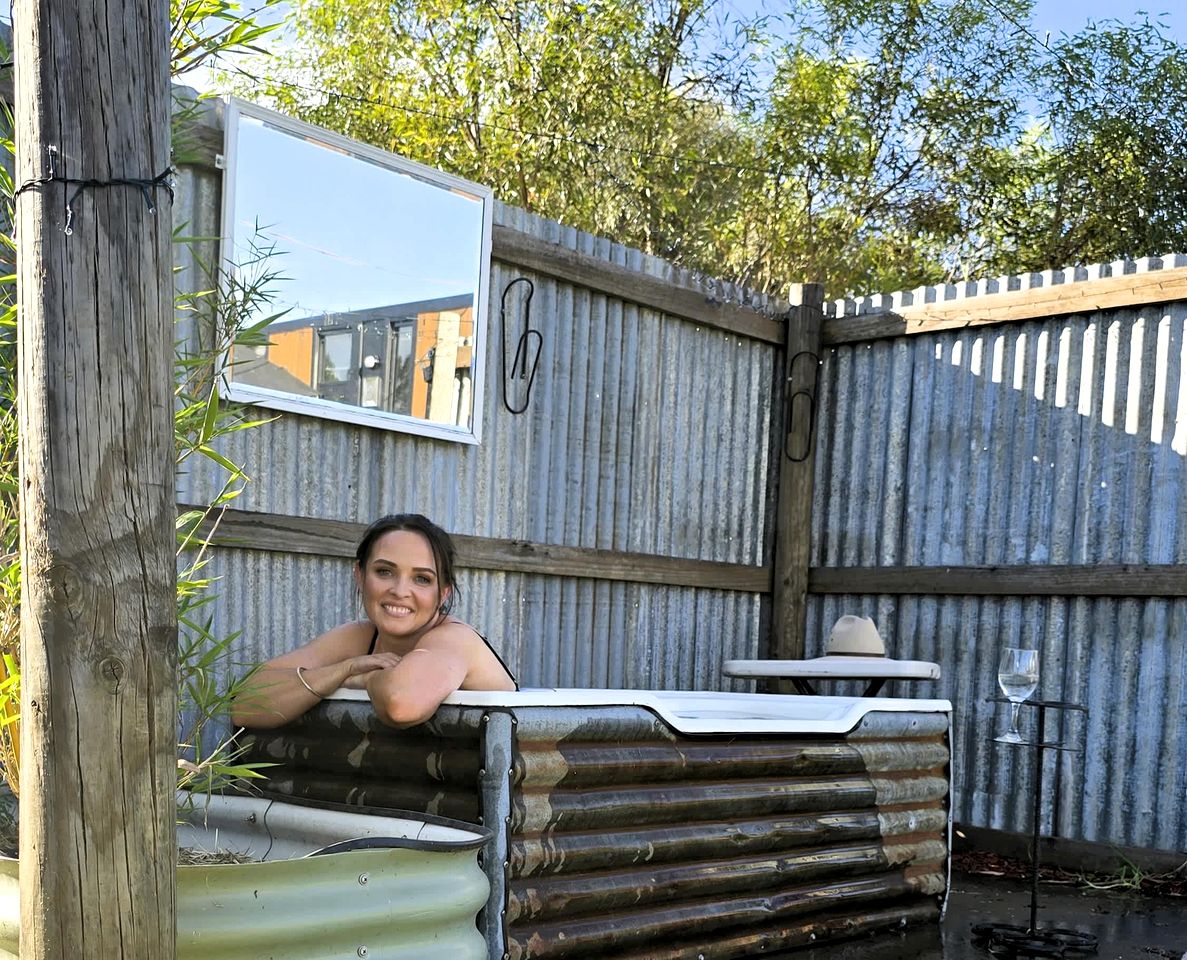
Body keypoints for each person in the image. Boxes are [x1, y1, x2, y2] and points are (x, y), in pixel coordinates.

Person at [231, 514, 517, 730]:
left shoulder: (456, 640)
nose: (400, 591)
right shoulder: (360, 637)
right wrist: (345, 669)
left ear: (443, 593)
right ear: (360, 575)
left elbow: (401, 703)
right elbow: (244, 704)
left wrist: (361, 677)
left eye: (422, 579)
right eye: (384, 571)